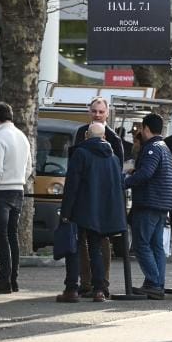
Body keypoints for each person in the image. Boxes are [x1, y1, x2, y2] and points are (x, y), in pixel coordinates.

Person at [56, 123, 126, 303]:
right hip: (101, 212)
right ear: (104, 137)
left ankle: (71, 288)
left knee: (75, 248)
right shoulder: (114, 158)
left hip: (81, 209)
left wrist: (66, 212)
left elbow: (72, 185)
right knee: (96, 249)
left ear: (86, 135)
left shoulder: (80, 153)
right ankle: (99, 290)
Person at [72, 97, 124, 298]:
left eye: (101, 111)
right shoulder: (80, 133)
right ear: (89, 111)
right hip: (85, 195)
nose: (97, 114)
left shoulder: (113, 138)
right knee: (83, 241)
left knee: (102, 241)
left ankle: (102, 282)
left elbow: (117, 172)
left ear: (107, 113)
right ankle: (86, 282)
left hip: (104, 198)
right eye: (94, 111)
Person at [0, 102, 31, 295]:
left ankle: (3, 281)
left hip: (1, 192)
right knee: (12, 236)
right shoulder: (23, 137)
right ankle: (13, 280)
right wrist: (20, 182)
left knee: (1, 238)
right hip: (18, 190)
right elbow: (28, 168)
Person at [123, 113, 172, 300]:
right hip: (162, 203)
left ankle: (153, 282)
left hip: (149, 203)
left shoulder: (152, 148)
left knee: (141, 244)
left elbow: (146, 173)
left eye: (140, 129)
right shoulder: (164, 147)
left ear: (146, 128)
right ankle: (156, 282)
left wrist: (125, 182)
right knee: (156, 245)